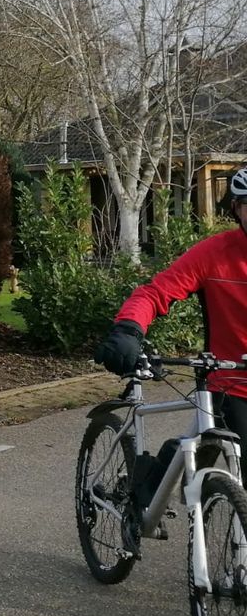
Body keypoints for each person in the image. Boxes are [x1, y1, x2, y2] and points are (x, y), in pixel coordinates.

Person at [95, 166, 247, 503]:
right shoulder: (215, 253)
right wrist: (128, 329)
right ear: (236, 209)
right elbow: (154, 293)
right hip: (231, 384)